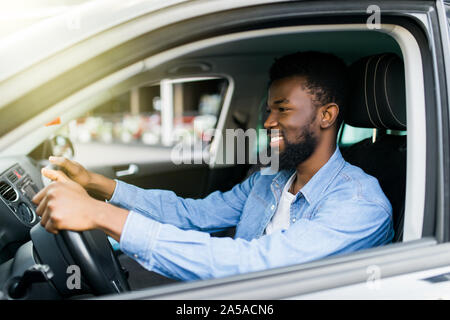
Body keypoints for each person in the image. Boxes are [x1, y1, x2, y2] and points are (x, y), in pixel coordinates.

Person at [32, 51, 394, 281]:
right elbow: (194, 214)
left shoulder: (360, 204)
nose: (268, 122)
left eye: (282, 109)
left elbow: (256, 267)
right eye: (268, 110)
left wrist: (101, 216)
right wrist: (98, 185)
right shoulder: (270, 177)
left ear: (327, 115)